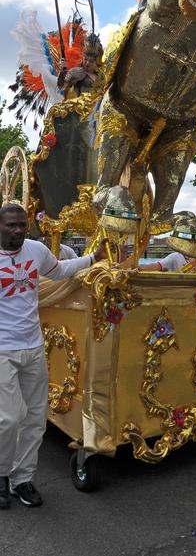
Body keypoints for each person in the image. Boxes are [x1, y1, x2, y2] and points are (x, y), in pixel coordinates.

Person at [0, 204, 108, 509]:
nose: (18, 230)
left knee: (35, 418)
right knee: (7, 419)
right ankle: (1, 476)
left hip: (33, 347)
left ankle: (23, 479)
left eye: (22, 225)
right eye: (11, 225)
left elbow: (59, 271)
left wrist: (93, 259)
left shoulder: (35, 251)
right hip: (2, 349)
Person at [57, 33, 103, 98]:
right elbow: (61, 86)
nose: (87, 63)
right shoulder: (76, 72)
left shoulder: (101, 77)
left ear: (97, 62)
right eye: (85, 59)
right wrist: (62, 71)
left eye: (91, 61)